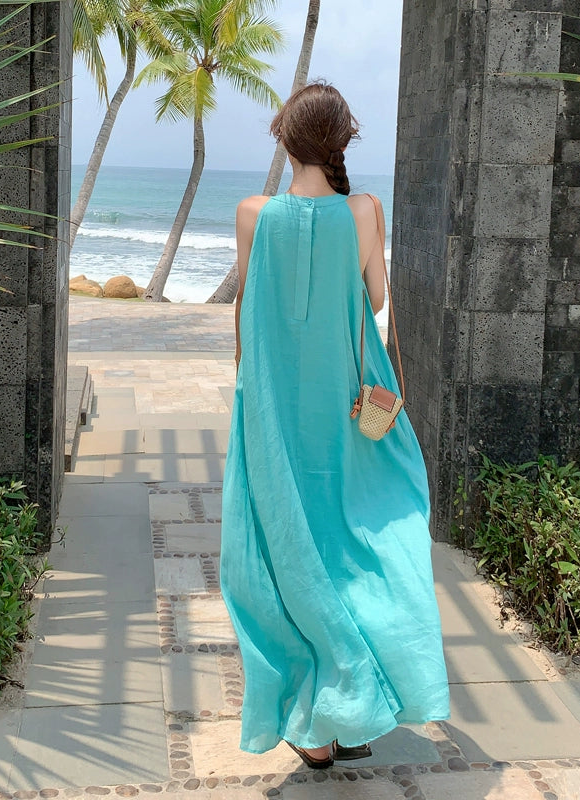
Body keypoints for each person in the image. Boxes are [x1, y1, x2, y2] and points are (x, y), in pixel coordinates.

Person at [220, 81, 450, 769]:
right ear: (343, 141)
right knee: (363, 539)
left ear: (283, 138)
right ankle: (351, 712)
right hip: (348, 412)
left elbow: (246, 307)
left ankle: (316, 725)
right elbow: (376, 299)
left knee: (277, 554)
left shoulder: (252, 213)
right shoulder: (366, 211)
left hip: (272, 413)